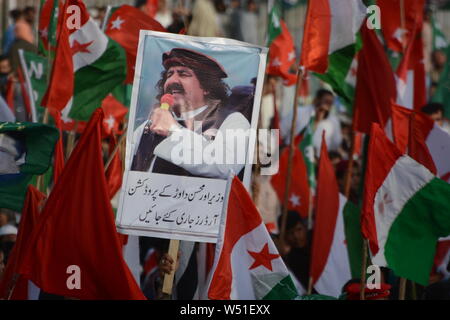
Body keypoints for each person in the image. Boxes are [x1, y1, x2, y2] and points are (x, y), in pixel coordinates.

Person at [131, 47, 255, 180]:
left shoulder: (233, 121)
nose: (172, 81)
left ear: (207, 87)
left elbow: (226, 167)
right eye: (169, 74)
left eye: (183, 74)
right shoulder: (146, 128)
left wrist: (173, 130)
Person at [281, 89, 343, 154]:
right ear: (317, 100)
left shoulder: (334, 122)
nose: (327, 105)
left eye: (330, 103)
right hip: (292, 155)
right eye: (326, 101)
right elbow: (281, 131)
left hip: (316, 160)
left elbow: (336, 144)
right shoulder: (299, 112)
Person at [277, 210, 311, 290]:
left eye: (299, 230)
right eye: (290, 233)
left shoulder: (317, 244)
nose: (296, 236)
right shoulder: (290, 259)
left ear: (305, 228)